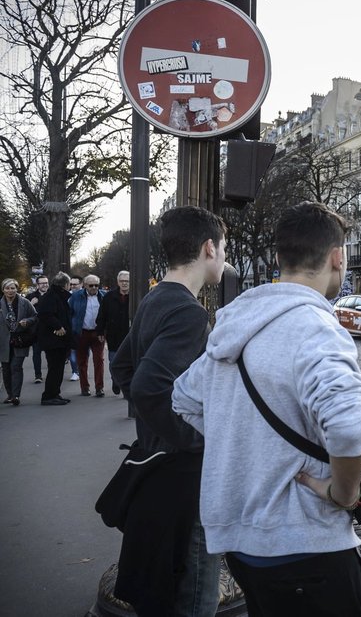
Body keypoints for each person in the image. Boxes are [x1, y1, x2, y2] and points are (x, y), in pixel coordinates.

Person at [173, 201, 361, 616]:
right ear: (337, 258)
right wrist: (344, 491)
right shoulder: (317, 329)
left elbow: (184, 398)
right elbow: (351, 429)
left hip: (243, 549)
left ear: (280, 258)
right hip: (307, 545)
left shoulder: (233, 325)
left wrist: (245, 446)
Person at [109, 206, 225, 616]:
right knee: (195, 594)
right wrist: (195, 440)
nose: (224, 258)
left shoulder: (155, 297)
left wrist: (151, 428)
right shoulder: (189, 312)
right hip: (182, 476)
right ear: (209, 248)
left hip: (154, 465)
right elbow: (146, 385)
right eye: (223, 249)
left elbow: (123, 367)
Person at [35, 272, 73, 406]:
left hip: (57, 340)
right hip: (54, 340)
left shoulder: (54, 295)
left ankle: (54, 393)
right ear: (65, 285)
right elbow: (45, 314)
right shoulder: (52, 296)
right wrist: (58, 326)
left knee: (57, 368)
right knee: (55, 369)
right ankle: (49, 396)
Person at [1, 279, 38, 407]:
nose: (10, 291)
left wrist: (27, 321)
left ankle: (16, 395)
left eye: (13, 288)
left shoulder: (25, 302)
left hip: (20, 339)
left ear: (17, 289)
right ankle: (10, 394)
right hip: (3, 341)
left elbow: (35, 316)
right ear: (3, 290)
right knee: (5, 369)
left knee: (15, 367)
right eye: (7, 288)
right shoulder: (0, 304)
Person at [69, 274, 106, 397]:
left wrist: (104, 331)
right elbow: (70, 313)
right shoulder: (76, 296)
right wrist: (72, 330)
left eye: (96, 285)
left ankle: (99, 388)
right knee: (82, 361)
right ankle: (85, 387)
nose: (94, 287)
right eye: (91, 285)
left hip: (98, 333)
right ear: (85, 285)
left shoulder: (103, 296)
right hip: (81, 332)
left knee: (99, 360)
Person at [96, 270, 130, 396]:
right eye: (122, 281)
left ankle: (125, 386)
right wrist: (100, 331)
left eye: (127, 281)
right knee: (114, 362)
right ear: (118, 282)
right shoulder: (109, 297)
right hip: (114, 335)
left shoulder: (136, 296)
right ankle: (116, 380)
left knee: (129, 364)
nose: (125, 283)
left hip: (130, 335)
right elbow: (102, 315)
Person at [26, 275, 48, 383]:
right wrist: (31, 304)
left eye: (46, 282)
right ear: (37, 285)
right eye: (42, 283)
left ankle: (51, 375)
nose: (45, 285)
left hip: (50, 330)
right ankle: (38, 375)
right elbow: (24, 312)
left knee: (51, 354)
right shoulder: (31, 296)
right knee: (36, 354)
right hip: (36, 331)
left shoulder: (52, 295)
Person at [67, 276, 82, 381]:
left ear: (81, 284)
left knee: (84, 352)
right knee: (72, 351)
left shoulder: (84, 295)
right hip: (71, 328)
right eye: (71, 284)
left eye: (75, 284)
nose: (72, 286)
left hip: (83, 328)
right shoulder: (67, 296)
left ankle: (81, 369)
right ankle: (75, 371)